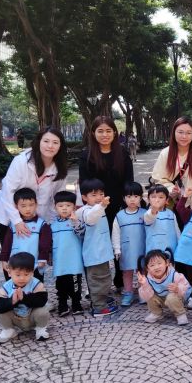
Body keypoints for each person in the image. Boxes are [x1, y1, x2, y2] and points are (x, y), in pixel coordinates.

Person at [0, 127, 68, 278]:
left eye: (55, 142)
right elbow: (8, 191)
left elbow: (57, 198)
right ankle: (13, 290)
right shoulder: (21, 161)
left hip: (36, 218)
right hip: (7, 216)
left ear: (60, 146)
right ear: (38, 142)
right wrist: (17, 221)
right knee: (12, 256)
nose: (50, 146)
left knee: (37, 254)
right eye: (46, 141)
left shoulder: (60, 167)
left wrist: (50, 223)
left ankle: (36, 290)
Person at [79, 116, 134, 291]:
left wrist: (128, 202)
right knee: (96, 245)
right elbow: (84, 183)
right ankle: (96, 285)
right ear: (93, 133)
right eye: (100, 131)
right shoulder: (87, 155)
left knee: (119, 242)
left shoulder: (122, 153)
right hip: (95, 208)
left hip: (118, 206)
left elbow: (128, 180)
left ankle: (120, 279)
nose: (105, 135)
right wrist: (95, 202)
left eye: (109, 131)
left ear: (115, 133)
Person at [77, 179, 117, 317]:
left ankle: (100, 298)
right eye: (94, 195)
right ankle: (99, 307)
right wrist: (101, 206)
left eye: (101, 194)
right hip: (95, 254)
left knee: (103, 278)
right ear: (84, 197)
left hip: (101, 252)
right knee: (99, 279)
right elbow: (91, 219)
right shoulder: (87, 211)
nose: (99, 197)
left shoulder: (97, 208)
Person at [150, 116, 192, 208]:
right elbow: (159, 179)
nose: (184, 136)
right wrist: (171, 189)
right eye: (180, 132)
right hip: (172, 203)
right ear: (174, 132)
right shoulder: (165, 153)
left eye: (188, 133)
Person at [0, 252, 50, 344]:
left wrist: (24, 298)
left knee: (43, 311)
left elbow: (42, 301)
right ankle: (9, 330)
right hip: (16, 318)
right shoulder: (6, 287)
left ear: (32, 273)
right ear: (9, 273)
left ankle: (41, 329)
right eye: (18, 275)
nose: (22, 278)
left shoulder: (36, 284)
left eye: (26, 274)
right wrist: (12, 301)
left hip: (32, 317)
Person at [0, 188, 52, 282]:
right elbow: (7, 244)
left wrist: (42, 259)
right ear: (16, 206)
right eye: (23, 206)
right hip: (16, 264)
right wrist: (4, 259)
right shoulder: (13, 225)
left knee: (36, 287)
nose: (28, 209)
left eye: (31, 205)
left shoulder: (42, 224)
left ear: (36, 204)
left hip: (35, 265)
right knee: (17, 287)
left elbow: (45, 244)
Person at [49, 191, 85, 316]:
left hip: (74, 260)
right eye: (60, 206)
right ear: (55, 207)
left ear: (74, 207)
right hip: (60, 261)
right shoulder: (52, 224)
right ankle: (62, 304)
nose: (64, 208)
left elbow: (82, 234)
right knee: (61, 284)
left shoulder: (77, 221)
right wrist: (49, 257)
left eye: (68, 205)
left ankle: (76, 304)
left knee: (75, 284)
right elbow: (49, 243)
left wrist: (75, 222)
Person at [112, 182, 147, 306]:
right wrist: (117, 249)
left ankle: (143, 292)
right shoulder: (119, 216)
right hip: (126, 248)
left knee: (142, 270)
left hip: (141, 248)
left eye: (136, 196)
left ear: (141, 198)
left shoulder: (145, 213)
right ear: (124, 198)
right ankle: (128, 293)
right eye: (129, 196)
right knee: (127, 271)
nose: (132, 199)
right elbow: (115, 233)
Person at [138, 249, 191, 325]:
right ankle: (156, 313)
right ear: (147, 268)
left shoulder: (174, 275)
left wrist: (178, 288)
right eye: (152, 265)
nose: (156, 267)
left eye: (159, 263)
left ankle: (180, 313)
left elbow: (186, 286)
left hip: (176, 298)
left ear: (167, 263)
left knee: (171, 297)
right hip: (160, 298)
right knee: (150, 296)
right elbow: (145, 297)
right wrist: (144, 285)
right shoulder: (148, 279)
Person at [144, 184, 181, 257]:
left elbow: (177, 231)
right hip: (154, 253)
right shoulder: (148, 213)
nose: (157, 200)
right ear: (148, 200)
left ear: (167, 200)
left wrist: (180, 245)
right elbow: (150, 218)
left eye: (161, 197)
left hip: (171, 251)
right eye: (153, 197)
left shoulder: (171, 213)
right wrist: (154, 209)